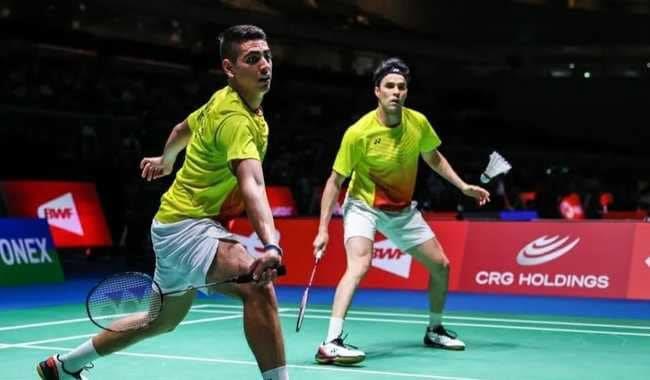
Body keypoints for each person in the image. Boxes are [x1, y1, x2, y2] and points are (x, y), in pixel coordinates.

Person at [37, 25, 289, 380]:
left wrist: (166, 159)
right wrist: (271, 243)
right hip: (188, 225)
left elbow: (180, 130)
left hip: (173, 224)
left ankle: (64, 366)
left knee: (157, 322)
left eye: (267, 56)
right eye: (252, 59)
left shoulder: (223, 101)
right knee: (257, 286)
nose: (265, 65)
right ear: (230, 68)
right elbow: (253, 183)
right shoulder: (234, 119)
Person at [312, 57, 490, 365]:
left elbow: (433, 158)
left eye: (401, 87)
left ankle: (434, 330)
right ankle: (330, 342)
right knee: (359, 265)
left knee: (441, 266)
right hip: (363, 205)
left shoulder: (417, 123)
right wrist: (323, 229)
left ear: (407, 92)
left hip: (402, 210)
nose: (396, 91)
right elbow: (334, 180)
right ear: (377, 92)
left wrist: (462, 186)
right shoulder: (359, 132)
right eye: (390, 86)